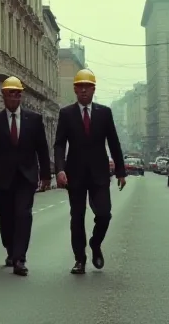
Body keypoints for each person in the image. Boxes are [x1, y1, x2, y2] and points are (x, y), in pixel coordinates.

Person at [53, 68, 126, 275]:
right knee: (77, 218)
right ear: (75, 90)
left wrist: (121, 171)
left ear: (94, 89)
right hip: (74, 174)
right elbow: (59, 144)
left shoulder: (104, 113)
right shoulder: (66, 114)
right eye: (80, 87)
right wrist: (59, 170)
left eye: (88, 87)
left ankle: (95, 243)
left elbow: (113, 142)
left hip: (99, 173)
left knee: (104, 214)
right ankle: (80, 259)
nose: (84, 90)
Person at [0, 76, 51, 277]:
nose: (15, 97)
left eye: (18, 93)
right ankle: (10, 249)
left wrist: (46, 176)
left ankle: (20, 258)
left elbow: (42, 149)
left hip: (27, 177)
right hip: (3, 177)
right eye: (11, 93)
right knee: (5, 217)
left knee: (23, 215)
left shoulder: (34, 120)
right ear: (3, 96)